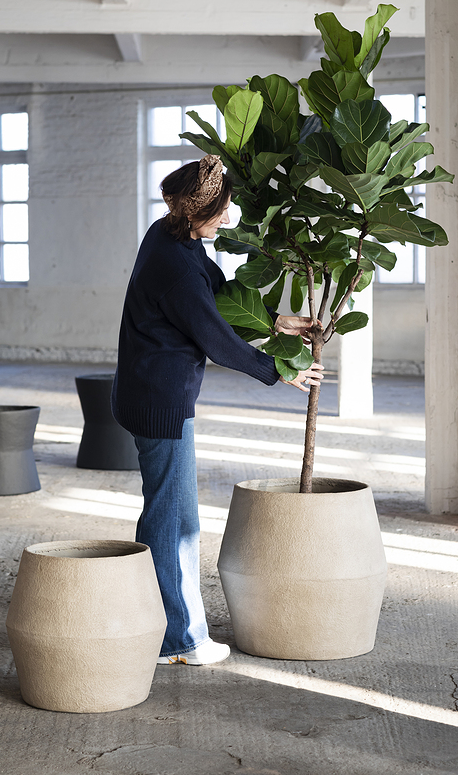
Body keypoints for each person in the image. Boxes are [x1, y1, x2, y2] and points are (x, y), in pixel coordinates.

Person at [111, 155, 324, 667]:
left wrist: (275, 321)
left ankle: (161, 626)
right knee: (173, 522)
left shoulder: (171, 236)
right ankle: (179, 640)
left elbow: (217, 293)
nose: (229, 216)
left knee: (171, 515)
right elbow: (216, 339)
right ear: (196, 210)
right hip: (159, 402)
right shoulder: (176, 268)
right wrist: (280, 370)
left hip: (148, 391)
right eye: (222, 209)